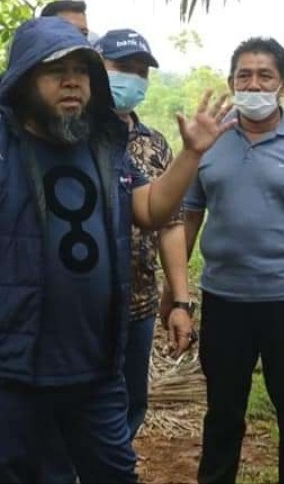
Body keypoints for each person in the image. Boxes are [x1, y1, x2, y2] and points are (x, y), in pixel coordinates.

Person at [0, 16, 233, 483]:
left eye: (83, 70)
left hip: (94, 361)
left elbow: (149, 209)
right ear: (26, 80)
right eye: (56, 70)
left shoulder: (103, 144)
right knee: (14, 475)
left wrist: (191, 156)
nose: (73, 81)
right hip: (10, 363)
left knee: (113, 472)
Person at [182, 37, 284, 484]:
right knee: (223, 409)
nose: (254, 84)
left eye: (264, 75)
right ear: (232, 83)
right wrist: (175, 292)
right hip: (223, 297)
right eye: (244, 76)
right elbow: (190, 213)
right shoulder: (210, 142)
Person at [95, 28, 196, 438]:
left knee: (131, 402)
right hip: (85, 306)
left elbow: (171, 225)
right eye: (122, 68)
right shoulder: (75, 136)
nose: (132, 79)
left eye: (141, 72)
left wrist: (181, 301)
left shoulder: (154, 145)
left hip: (137, 302)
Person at [0, 0, 90, 117]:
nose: (75, 37)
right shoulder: (6, 89)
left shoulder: (91, 89)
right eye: (56, 71)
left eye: (83, 33)